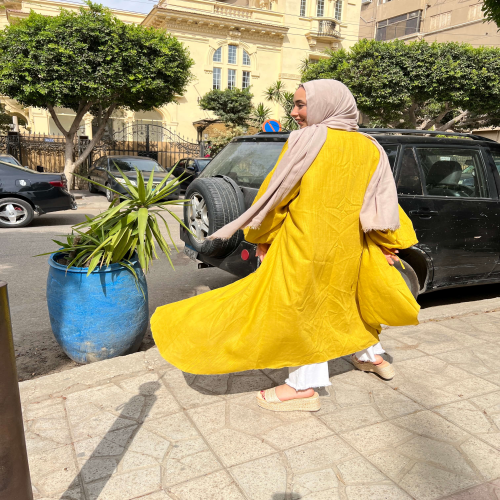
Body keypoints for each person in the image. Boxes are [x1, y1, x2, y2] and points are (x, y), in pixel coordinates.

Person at [151, 80, 419, 413]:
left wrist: (261, 238)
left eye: (301, 105)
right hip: (351, 248)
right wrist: (388, 244)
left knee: (300, 313)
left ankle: (303, 388)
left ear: (324, 105)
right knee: (348, 300)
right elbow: (382, 204)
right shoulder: (369, 146)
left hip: (303, 248)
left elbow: (276, 196)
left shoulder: (309, 139)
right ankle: (372, 357)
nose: (293, 113)